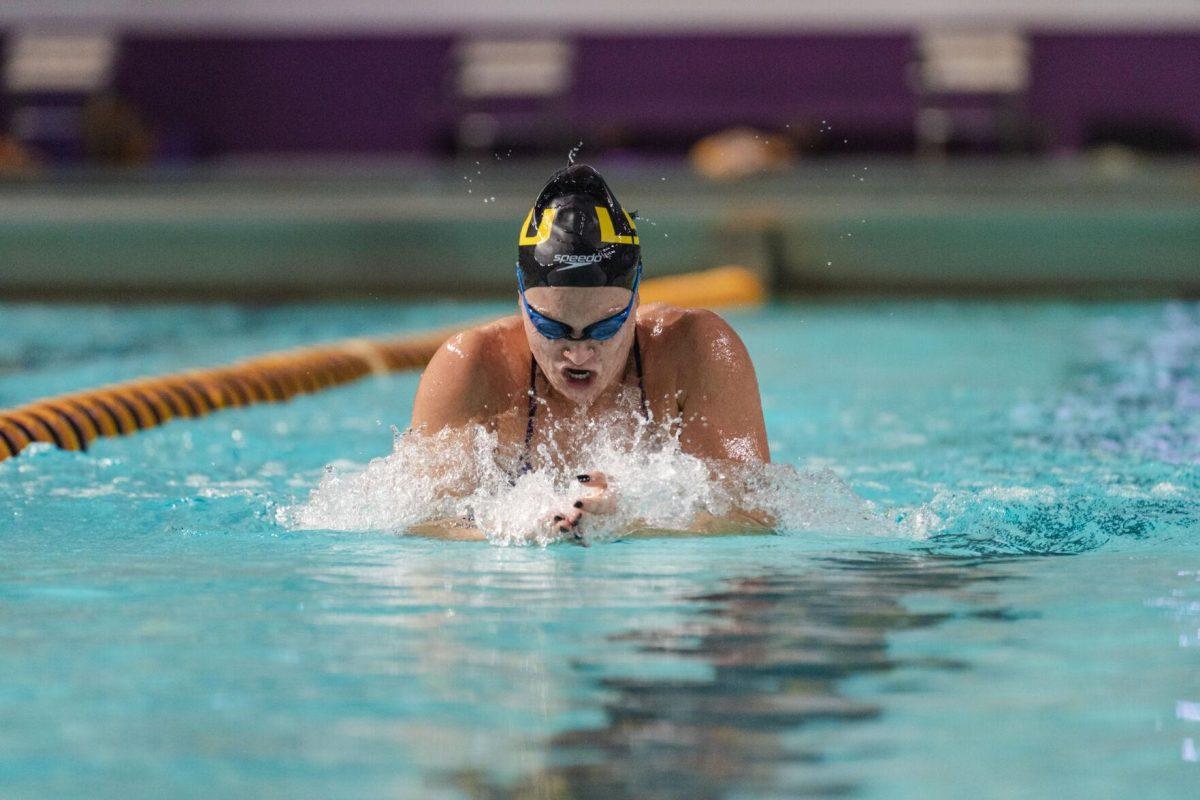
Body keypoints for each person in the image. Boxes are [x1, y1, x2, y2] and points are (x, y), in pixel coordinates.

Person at [410, 164, 770, 541]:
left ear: (635, 303)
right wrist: (514, 529)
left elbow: (754, 517)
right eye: (552, 328)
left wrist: (635, 518)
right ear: (521, 302)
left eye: (605, 327)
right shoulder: (472, 366)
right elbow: (424, 523)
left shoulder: (697, 349)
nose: (579, 356)